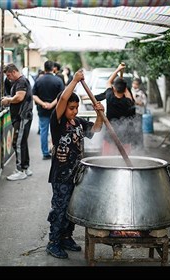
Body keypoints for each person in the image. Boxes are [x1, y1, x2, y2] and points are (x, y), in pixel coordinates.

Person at [46, 70, 104, 259]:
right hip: (61, 175)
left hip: (77, 174)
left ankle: (66, 237)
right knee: (60, 209)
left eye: (76, 107)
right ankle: (53, 242)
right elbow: (62, 100)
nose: (75, 111)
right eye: (71, 108)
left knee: (72, 208)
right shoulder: (58, 122)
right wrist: (74, 81)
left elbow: (95, 129)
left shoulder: (78, 122)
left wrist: (99, 115)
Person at [94, 63, 136, 155]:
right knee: (124, 160)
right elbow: (129, 97)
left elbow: (108, 82)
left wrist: (118, 69)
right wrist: (125, 88)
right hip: (125, 136)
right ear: (125, 89)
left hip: (110, 134)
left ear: (114, 88)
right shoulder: (129, 102)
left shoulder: (110, 98)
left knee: (108, 159)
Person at [1, 64, 33, 180]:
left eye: (9, 75)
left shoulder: (21, 82)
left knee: (18, 143)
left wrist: (8, 100)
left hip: (22, 116)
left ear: (14, 72)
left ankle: (20, 170)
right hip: (23, 116)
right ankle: (25, 167)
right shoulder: (20, 81)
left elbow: (19, 97)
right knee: (22, 142)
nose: (8, 78)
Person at [32, 61, 65, 159]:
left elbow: (34, 95)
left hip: (42, 110)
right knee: (56, 130)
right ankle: (56, 151)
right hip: (56, 110)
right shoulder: (58, 80)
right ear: (53, 68)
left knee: (43, 131)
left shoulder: (39, 80)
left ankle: (45, 153)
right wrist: (52, 104)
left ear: (44, 68)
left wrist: (43, 103)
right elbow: (62, 96)